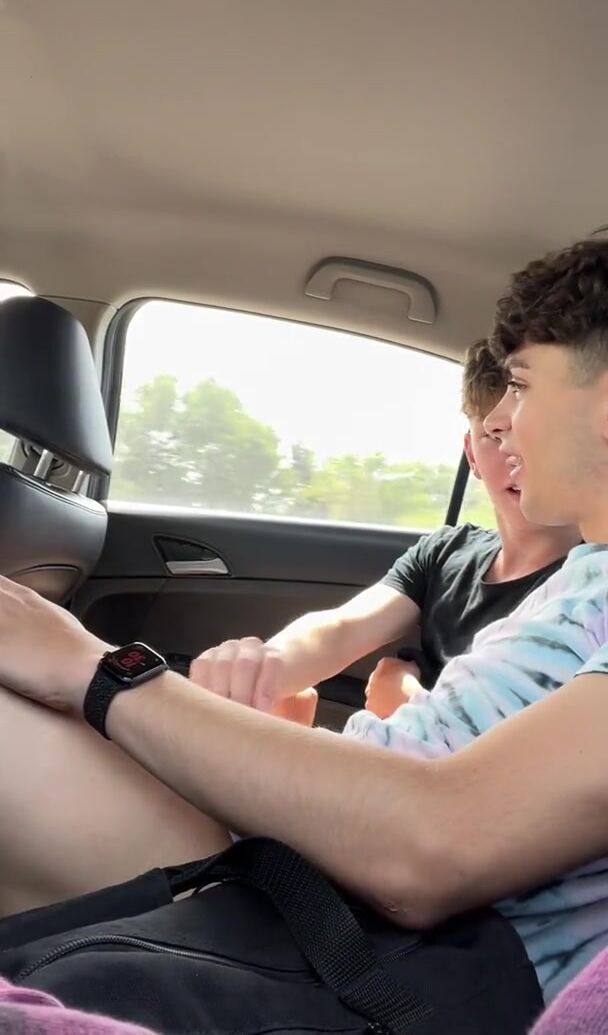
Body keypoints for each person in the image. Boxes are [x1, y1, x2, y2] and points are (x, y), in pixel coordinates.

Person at [3, 238, 608, 1007]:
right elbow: (336, 635)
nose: (504, 422)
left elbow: (433, 841)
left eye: (519, 385)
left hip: (346, 930)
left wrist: (95, 669)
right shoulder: (572, 578)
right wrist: (266, 683)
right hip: (309, 872)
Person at [194, 337, 578, 724]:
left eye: (535, 432)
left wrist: (406, 700)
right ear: (471, 455)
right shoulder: (447, 552)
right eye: (493, 436)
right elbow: (340, 629)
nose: (513, 454)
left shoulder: (586, 588)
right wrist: (260, 668)